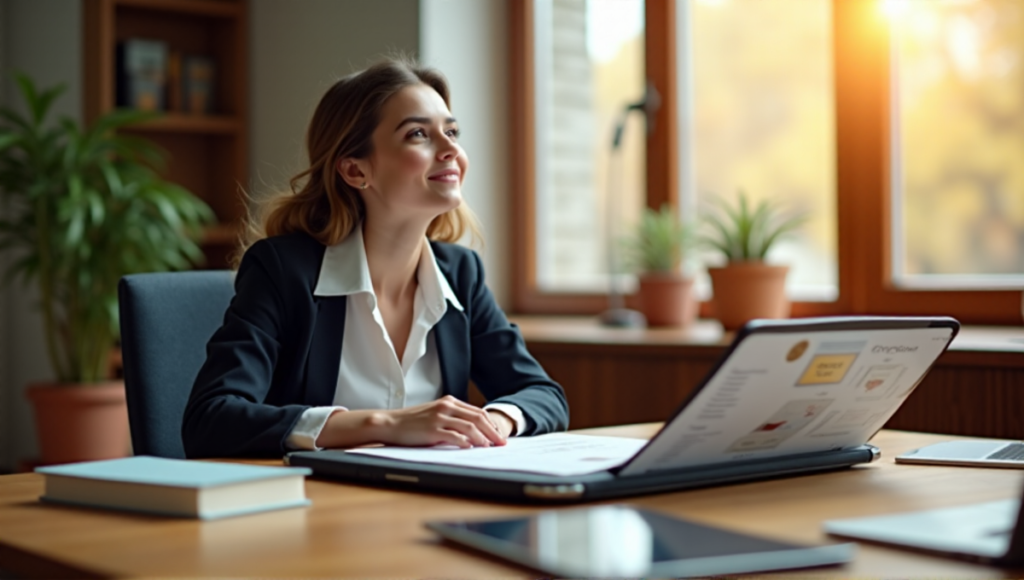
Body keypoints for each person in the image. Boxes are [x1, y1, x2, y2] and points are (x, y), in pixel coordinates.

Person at [181, 58, 569, 458]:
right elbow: (211, 419)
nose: (451, 149)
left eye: (452, 131)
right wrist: (386, 424)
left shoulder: (461, 274)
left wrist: (491, 424)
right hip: (315, 508)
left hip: (427, 503)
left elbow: (543, 394)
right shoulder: (283, 270)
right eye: (419, 134)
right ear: (354, 170)